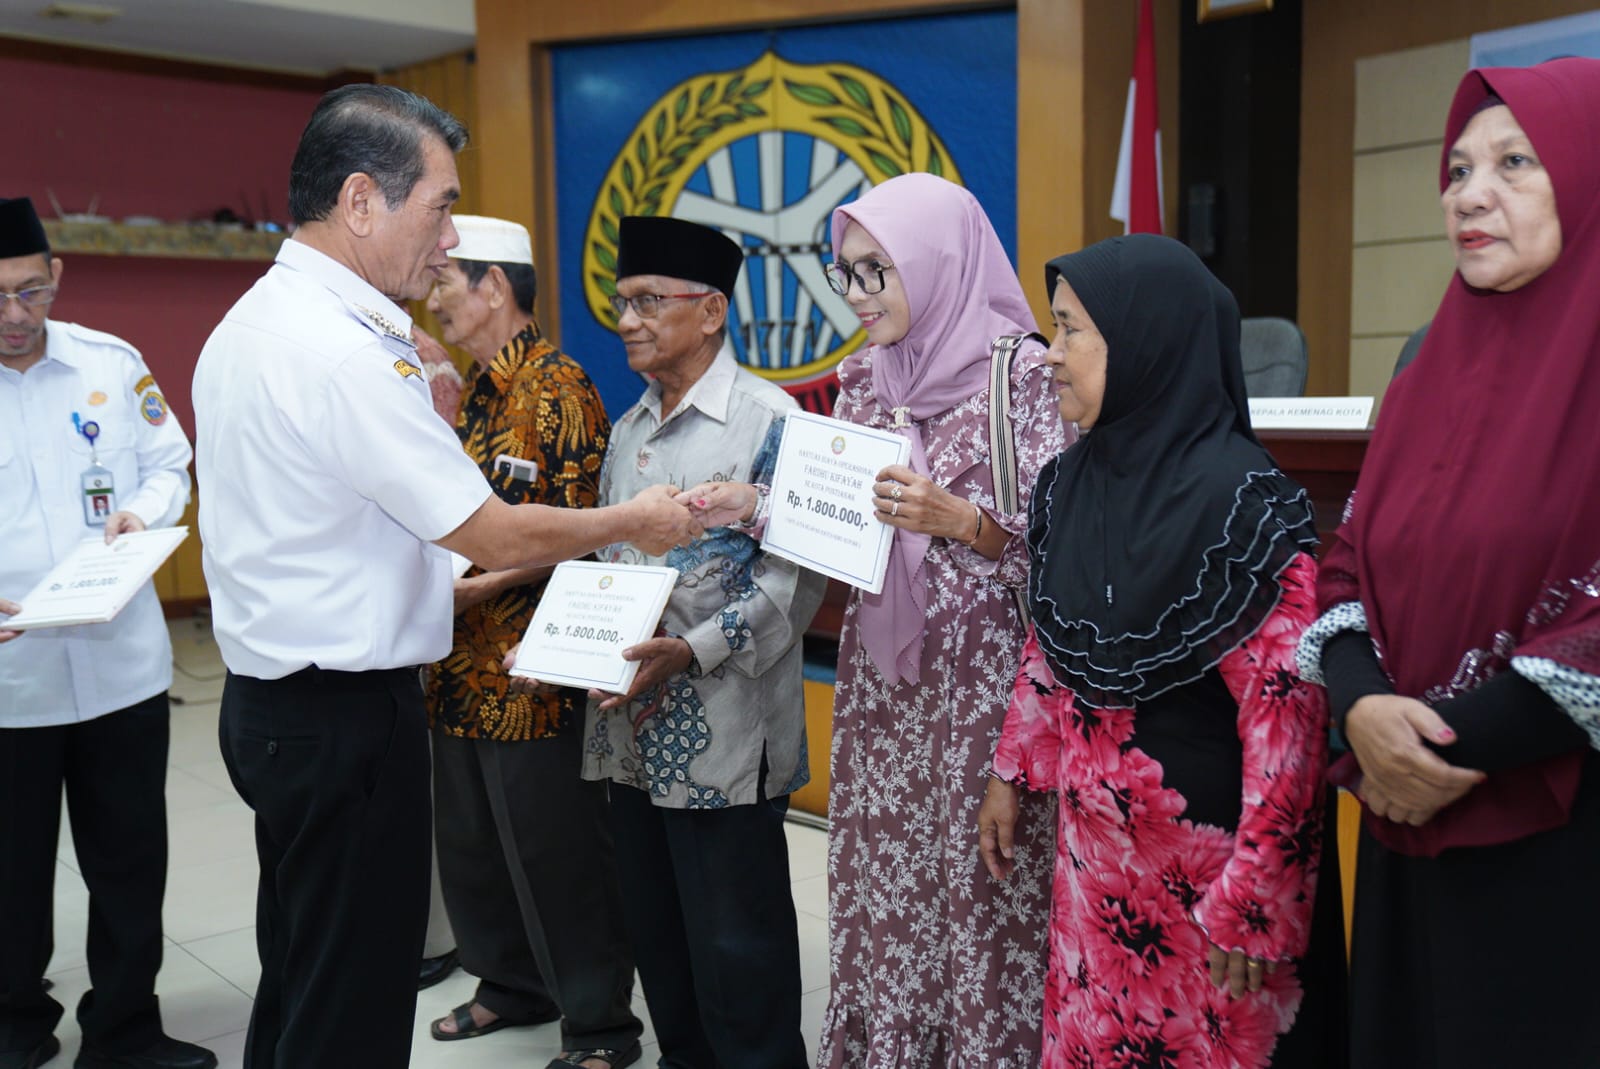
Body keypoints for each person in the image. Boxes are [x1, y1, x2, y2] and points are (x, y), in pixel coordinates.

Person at [190, 86, 699, 1069]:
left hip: (275, 700)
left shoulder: (256, 321)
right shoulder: (340, 351)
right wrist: (637, 518)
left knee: (303, 964)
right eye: (442, 205)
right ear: (361, 201)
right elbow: (491, 530)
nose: (450, 236)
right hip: (340, 712)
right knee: (350, 994)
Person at [682, 173, 1065, 1066]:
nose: (855, 295)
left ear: (935, 261)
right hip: (887, 691)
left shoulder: (1023, 378)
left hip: (983, 691)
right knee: (891, 887)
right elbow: (835, 518)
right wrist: (755, 504)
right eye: (844, 273)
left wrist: (961, 521)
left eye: (874, 271)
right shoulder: (865, 381)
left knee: (982, 888)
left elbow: (1066, 555)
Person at [1297, 58, 1600, 1068]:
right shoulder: (1425, 367)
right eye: (1458, 169)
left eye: (1515, 162)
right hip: (1404, 837)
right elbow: (1348, 562)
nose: (1469, 194)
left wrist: (1429, 748)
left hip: (1558, 844)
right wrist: (1361, 710)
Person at [977, 234, 1337, 1069]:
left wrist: (1257, 897)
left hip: (1209, 896)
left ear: (1144, 342)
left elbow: (1289, 719)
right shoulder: (1067, 482)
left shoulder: (1246, 504)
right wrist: (1010, 770)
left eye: (1071, 330)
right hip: (1095, 879)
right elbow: (1050, 643)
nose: (1050, 355)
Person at [574, 214, 825, 1069]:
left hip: (728, 736)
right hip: (630, 732)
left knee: (739, 956)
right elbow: (610, 563)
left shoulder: (770, 422)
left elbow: (794, 586)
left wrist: (689, 651)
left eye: (648, 301)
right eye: (622, 302)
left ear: (712, 310)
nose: (628, 320)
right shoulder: (629, 429)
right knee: (663, 946)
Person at [420, 215, 643, 1065]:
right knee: (473, 845)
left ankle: (599, 1025)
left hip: (532, 671)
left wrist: (487, 580)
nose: (434, 299)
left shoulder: (559, 386)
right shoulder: (474, 392)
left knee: (559, 855)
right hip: (455, 662)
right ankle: (510, 985)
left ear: (494, 286)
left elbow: (586, 528)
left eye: (446, 281)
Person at [0, 196, 215, 1069]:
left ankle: (124, 1028)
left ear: (57, 276)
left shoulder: (110, 365)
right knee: (11, 870)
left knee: (128, 861)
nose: (15, 314)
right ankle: (13, 1024)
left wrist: (141, 514)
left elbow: (172, 464)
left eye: (30, 291)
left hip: (121, 669)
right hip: (11, 682)